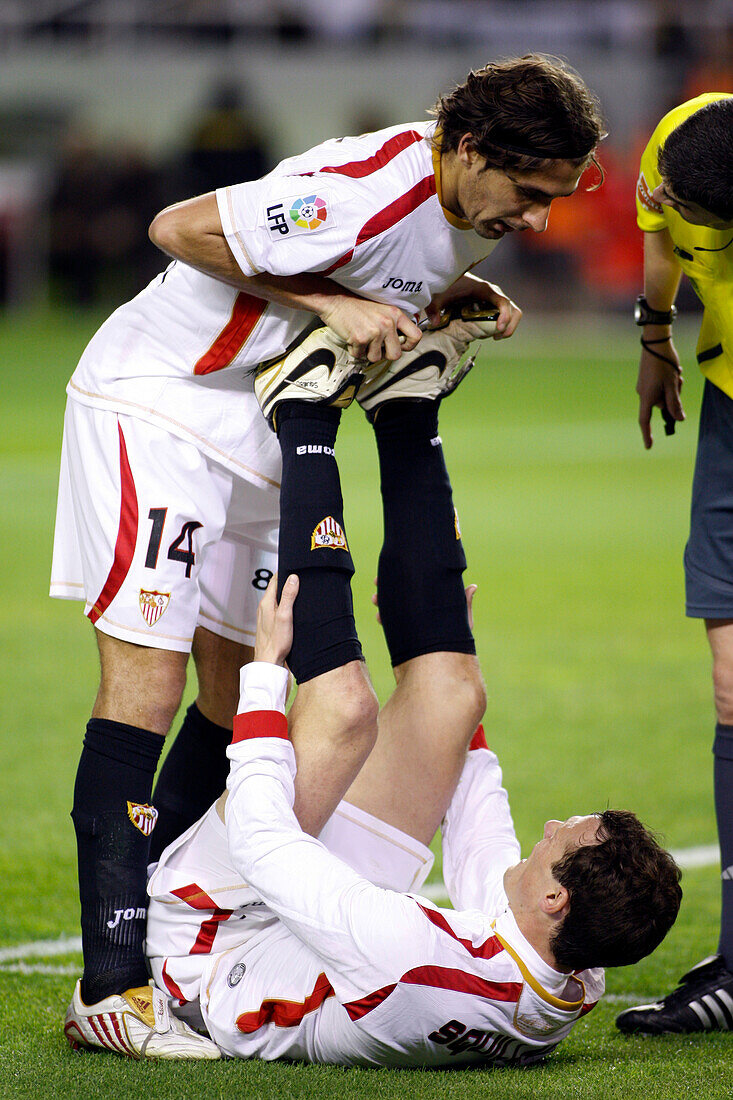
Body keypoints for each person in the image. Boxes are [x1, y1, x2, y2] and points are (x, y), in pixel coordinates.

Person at [52, 54, 605, 1055]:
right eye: (527, 195)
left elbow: (387, 268)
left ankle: (167, 918)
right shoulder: (363, 192)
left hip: (253, 431)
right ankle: (110, 985)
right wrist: (329, 303)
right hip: (162, 405)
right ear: (469, 149)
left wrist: (457, 289)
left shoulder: (450, 206)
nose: (535, 219)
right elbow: (174, 227)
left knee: (236, 695)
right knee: (149, 680)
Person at [135, 570, 681, 1068]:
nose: (550, 828)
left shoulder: (409, 950)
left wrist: (264, 673)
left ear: (555, 899)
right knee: (453, 696)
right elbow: (482, 845)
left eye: (564, 837)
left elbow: (260, 841)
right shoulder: (572, 974)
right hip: (326, 951)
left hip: (206, 948)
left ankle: (307, 461)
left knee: (344, 708)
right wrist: (443, 668)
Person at [616, 94, 733, 1036]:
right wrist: (654, 337)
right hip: (727, 410)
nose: (663, 203)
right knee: (732, 688)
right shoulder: (689, 135)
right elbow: (657, 228)